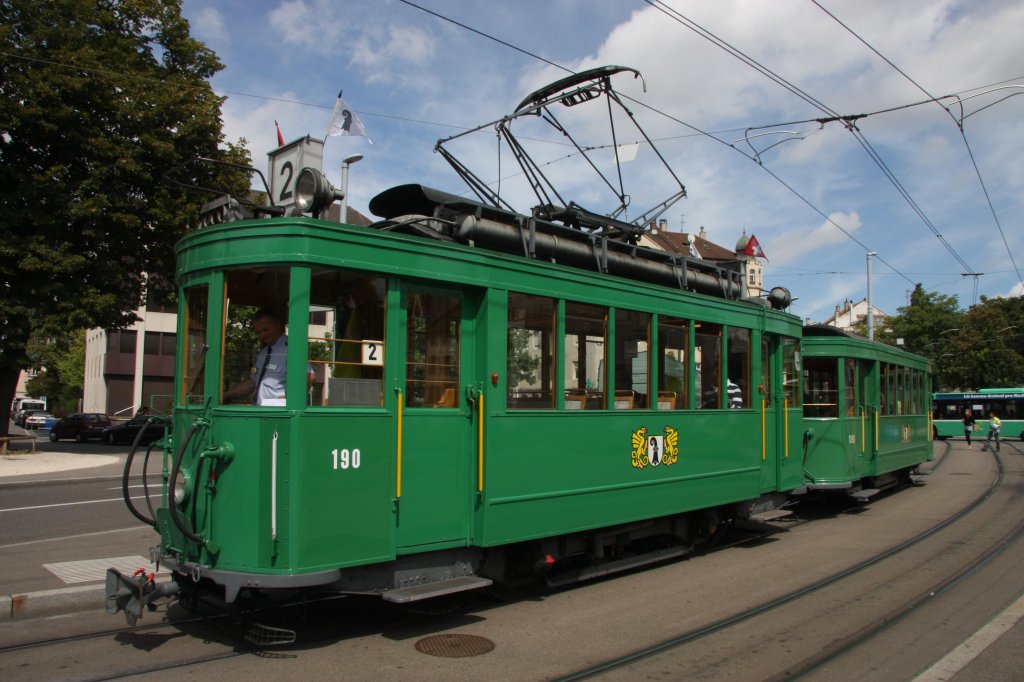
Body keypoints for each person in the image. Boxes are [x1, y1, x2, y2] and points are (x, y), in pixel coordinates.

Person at [224, 308, 315, 406]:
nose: (263, 335)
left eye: (265, 330)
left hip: (278, 411)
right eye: (258, 332)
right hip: (260, 409)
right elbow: (253, 383)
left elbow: (309, 376)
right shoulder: (264, 353)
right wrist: (226, 396)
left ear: (277, 324)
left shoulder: (291, 349)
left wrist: (288, 399)